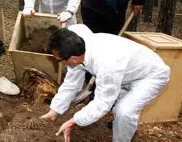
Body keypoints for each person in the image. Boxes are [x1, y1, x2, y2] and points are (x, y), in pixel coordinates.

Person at [40, 24, 170, 142]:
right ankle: (125, 127)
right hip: (125, 72)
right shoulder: (76, 44)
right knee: (120, 111)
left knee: (124, 110)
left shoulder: (106, 62)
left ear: (73, 59)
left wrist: (74, 121)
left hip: (150, 75)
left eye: (59, 60)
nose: (59, 62)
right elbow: (71, 84)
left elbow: (103, 101)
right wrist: (54, 110)